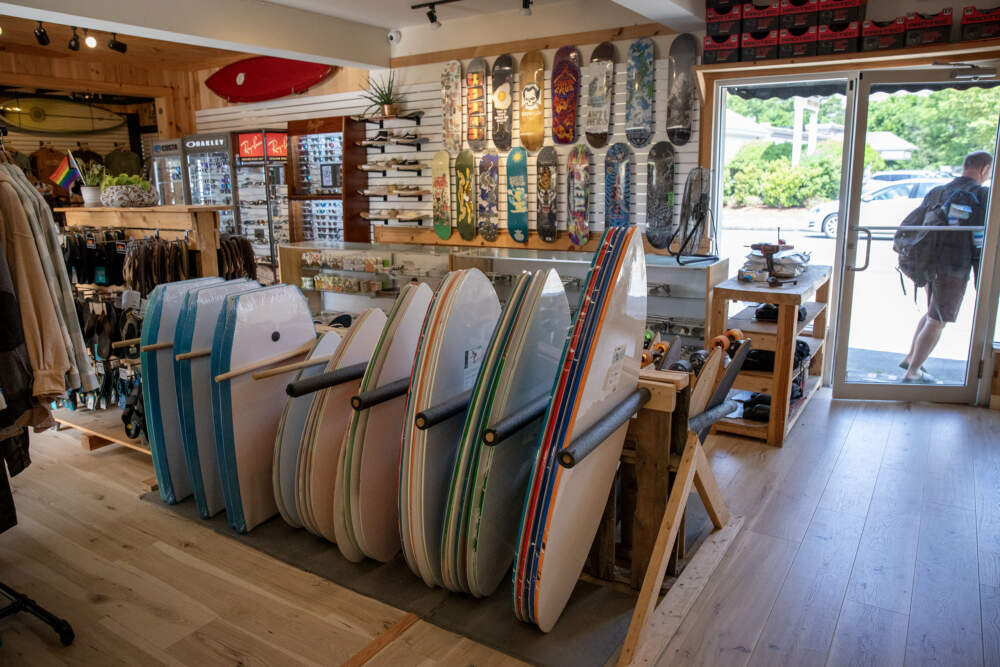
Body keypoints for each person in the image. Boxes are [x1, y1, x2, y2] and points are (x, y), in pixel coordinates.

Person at [901, 150, 991, 382]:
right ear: (984, 169)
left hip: (928, 261)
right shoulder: (980, 195)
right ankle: (913, 372)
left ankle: (912, 358)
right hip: (953, 266)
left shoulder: (939, 191)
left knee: (932, 311)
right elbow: (979, 238)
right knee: (938, 319)